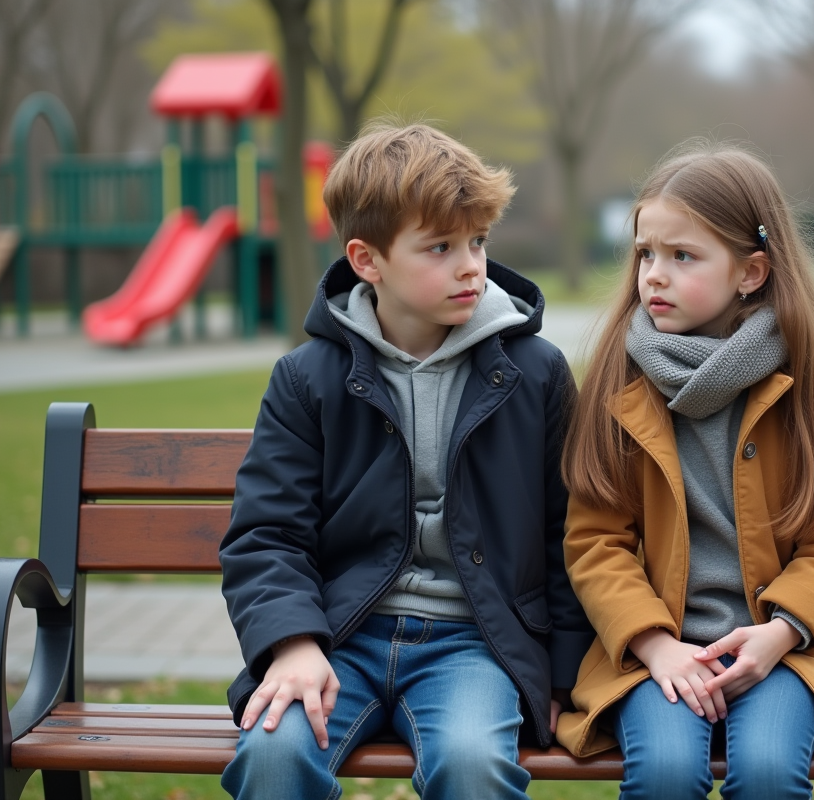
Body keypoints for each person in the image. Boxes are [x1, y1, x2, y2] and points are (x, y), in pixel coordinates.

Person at [219, 122, 592, 800]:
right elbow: (266, 534)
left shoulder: (535, 374)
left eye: (478, 240)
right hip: (338, 636)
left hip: (475, 646)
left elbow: (569, 536)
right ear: (367, 260)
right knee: (273, 760)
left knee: (473, 766)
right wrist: (293, 644)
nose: (471, 264)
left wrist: (564, 676)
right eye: (440, 247)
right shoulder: (308, 379)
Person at [554, 140, 814, 800]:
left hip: (789, 652)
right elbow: (596, 541)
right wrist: (656, 645)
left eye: (682, 256)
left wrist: (779, 633)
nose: (652, 275)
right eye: (644, 254)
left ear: (751, 271)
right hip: (657, 653)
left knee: (769, 772)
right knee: (662, 774)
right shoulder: (617, 382)